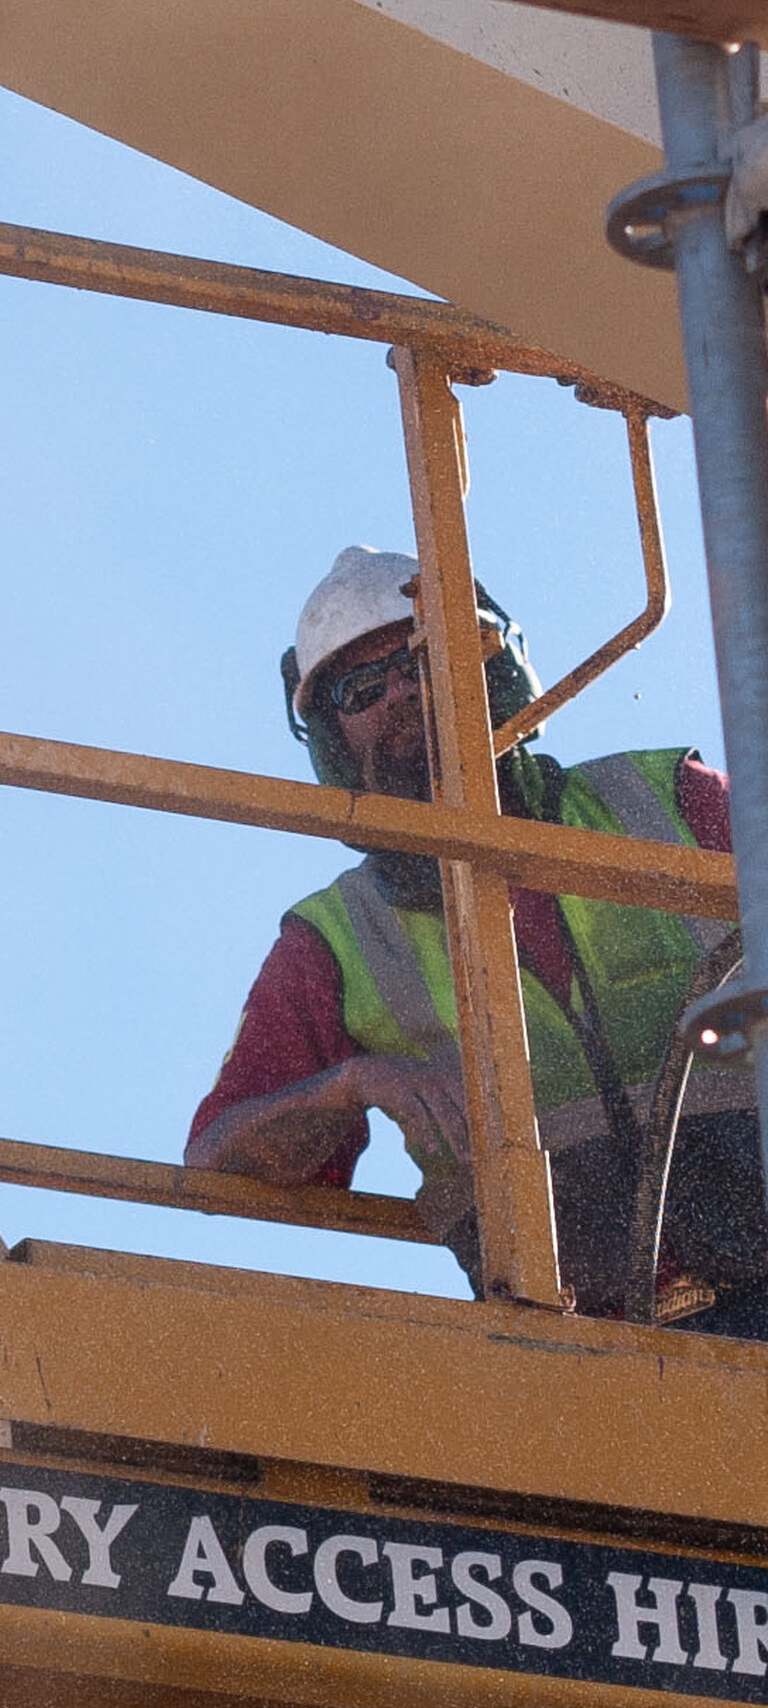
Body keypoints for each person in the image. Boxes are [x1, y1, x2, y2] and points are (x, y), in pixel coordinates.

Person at [187, 542, 762, 1324]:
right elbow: (220, 1161)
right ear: (331, 737)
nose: (400, 693)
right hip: (581, 1360)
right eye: (362, 687)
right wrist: (358, 1083)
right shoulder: (337, 940)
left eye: (424, 659)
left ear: (494, 666)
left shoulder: (660, 799)